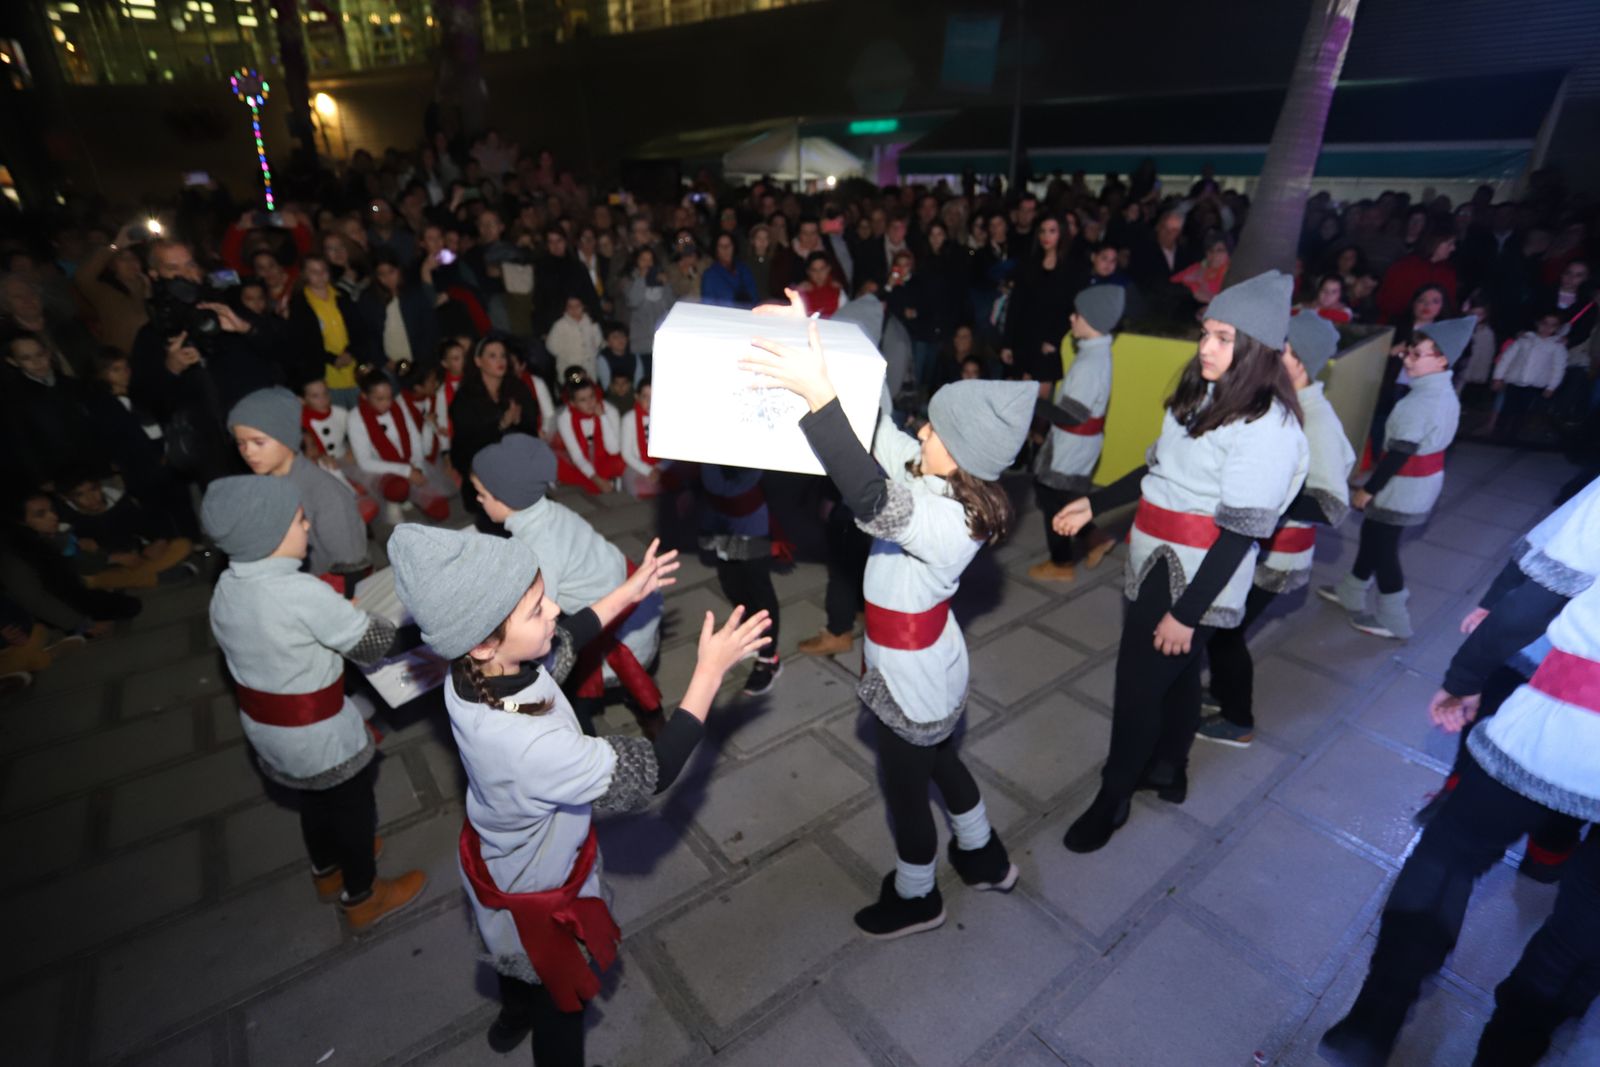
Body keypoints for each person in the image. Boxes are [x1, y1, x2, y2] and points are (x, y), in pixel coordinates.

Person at [386, 523, 768, 1065]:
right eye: (536, 607)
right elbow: (652, 771)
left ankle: (512, 1012)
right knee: (561, 1007)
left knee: (511, 958)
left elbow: (561, 643)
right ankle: (532, 1017)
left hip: (498, 856)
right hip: (540, 892)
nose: (556, 609)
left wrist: (629, 592)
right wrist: (708, 672)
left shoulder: (473, 675)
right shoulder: (531, 748)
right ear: (484, 640)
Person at [742, 305, 1037, 938]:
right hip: (924, 658)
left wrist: (819, 399)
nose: (921, 430)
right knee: (939, 763)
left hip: (914, 675)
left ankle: (918, 895)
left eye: (935, 430)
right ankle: (983, 855)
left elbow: (872, 499)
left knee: (906, 793)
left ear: (960, 455)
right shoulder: (935, 473)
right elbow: (874, 422)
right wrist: (821, 334)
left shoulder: (955, 522)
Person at [1319, 487, 1600, 1067]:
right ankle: (1511, 1051)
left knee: (1449, 853)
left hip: (1568, 723)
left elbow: (1535, 598)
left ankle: (1372, 1022)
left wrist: (1466, 676)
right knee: (1586, 921)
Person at [1050, 271, 1309, 852]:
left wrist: (1188, 614)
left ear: (1258, 350)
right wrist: (1092, 502)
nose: (1207, 348)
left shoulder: (1267, 426)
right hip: (1154, 555)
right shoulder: (1201, 393)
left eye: (1224, 338)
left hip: (1196, 575)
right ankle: (1169, 765)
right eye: (1207, 333)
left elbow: (1241, 535)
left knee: (1137, 687)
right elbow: (1160, 471)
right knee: (1177, 676)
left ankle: (1113, 796)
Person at [202, 476, 425, 931]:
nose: (308, 525)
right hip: (321, 732)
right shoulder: (300, 593)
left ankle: (327, 871)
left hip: (268, 730)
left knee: (312, 800)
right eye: (301, 519)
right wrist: (391, 611)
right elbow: (371, 644)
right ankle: (363, 893)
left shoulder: (225, 587)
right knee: (352, 805)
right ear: (271, 535)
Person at [1198, 314, 1354, 746]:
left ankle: (1238, 719)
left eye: (1279, 350)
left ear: (1300, 362)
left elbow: (1331, 504)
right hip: (1263, 550)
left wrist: (1266, 502)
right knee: (1225, 628)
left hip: (1279, 556)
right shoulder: (1289, 406)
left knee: (1226, 634)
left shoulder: (1316, 420)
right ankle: (1225, 692)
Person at [471, 434, 664, 737]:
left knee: (570, 696)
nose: (478, 500)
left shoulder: (536, 548)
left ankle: (587, 745)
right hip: (634, 603)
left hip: (621, 633)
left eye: (482, 494)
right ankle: (648, 713)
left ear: (506, 497)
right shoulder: (551, 513)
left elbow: (533, 620)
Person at [1319, 317, 1472, 640]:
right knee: (1376, 535)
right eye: (1409, 352)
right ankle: (1352, 590)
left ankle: (1394, 618)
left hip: (1402, 485)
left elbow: (1399, 454)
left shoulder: (1420, 402)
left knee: (1384, 547)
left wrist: (1367, 490)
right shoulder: (1445, 394)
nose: (1408, 359)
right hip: (1420, 484)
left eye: (1418, 354)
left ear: (1443, 359)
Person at [228, 387, 372, 588]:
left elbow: (351, 568)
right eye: (240, 443)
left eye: (258, 442)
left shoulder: (324, 493)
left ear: (287, 435)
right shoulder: (262, 486)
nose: (248, 452)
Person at [1027, 285, 1123, 582]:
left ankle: (1061, 562)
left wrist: (1031, 401)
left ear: (1092, 320)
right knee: (1059, 496)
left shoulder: (1090, 364)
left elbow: (1072, 414)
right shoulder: (1096, 354)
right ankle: (1094, 539)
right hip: (1079, 444)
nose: (1071, 319)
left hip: (1071, 445)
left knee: (1052, 498)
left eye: (1077, 314)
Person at [449, 336, 541, 520]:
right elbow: (467, 440)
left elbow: (531, 428)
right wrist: (500, 425)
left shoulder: (517, 387)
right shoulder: (465, 396)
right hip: (478, 459)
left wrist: (518, 421)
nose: (500, 361)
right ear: (478, 361)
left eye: (503, 356)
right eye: (492, 356)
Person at [345, 368, 453, 523]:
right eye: (379, 399)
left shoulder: (398, 406)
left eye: (389, 397)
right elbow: (365, 462)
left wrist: (416, 467)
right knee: (398, 489)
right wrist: (406, 471)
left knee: (442, 511)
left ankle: (409, 491)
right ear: (364, 396)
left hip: (408, 462)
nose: (387, 403)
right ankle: (394, 501)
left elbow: (414, 440)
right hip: (380, 469)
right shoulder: (355, 418)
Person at [55, 472, 196, 590]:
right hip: (106, 564)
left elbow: (151, 522)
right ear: (67, 498)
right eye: (80, 495)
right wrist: (112, 558)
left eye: (94, 489)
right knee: (88, 579)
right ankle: (154, 578)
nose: (91, 498)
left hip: (138, 557)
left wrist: (160, 540)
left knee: (183, 545)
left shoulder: (120, 501)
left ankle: (129, 579)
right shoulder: (68, 520)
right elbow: (74, 560)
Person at [1000, 216, 1075, 391]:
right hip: (1023, 338)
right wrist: (1007, 343)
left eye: (1052, 231)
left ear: (1061, 234)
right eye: (1042, 231)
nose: (1046, 236)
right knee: (1016, 401)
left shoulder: (1070, 269)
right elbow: (1015, 306)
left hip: (1047, 341)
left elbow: (1069, 309)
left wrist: (1054, 339)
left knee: (1041, 407)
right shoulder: (1027, 264)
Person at [287, 253, 361, 408]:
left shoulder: (342, 296)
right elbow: (304, 342)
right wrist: (333, 359)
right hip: (325, 377)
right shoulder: (300, 304)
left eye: (323, 271)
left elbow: (358, 329)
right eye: (314, 272)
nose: (320, 276)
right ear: (305, 275)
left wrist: (351, 351)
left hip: (354, 371)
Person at [1492, 309, 1568, 439]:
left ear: (1558, 328)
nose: (1547, 328)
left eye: (1552, 325)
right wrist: (1498, 377)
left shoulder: (1557, 346)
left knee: (1522, 411)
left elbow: (1559, 368)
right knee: (1507, 408)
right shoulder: (1525, 339)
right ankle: (1498, 434)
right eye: (1545, 323)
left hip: (1535, 385)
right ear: (1538, 324)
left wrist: (1552, 386)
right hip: (1515, 381)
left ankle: (1512, 435)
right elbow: (1507, 358)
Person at [554, 375, 623, 495]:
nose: (590, 403)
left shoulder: (610, 410)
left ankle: (592, 480)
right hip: (580, 458)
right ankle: (605, 481)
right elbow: (577, 456)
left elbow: (614, 450)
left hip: (606, 456)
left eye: (592, 397)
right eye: (583, 400)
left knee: (621, 461)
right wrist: (596, 479)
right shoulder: (565, 418)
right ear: (573, 403)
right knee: (556, 463)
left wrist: (602, 417)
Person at [619, 379, 661, 498]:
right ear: (637, 397)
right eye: (645, 397)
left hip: (661, 464)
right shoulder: (629, 419)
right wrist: (649, 470)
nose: (650, 401)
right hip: (637, 464)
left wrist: (660, 468)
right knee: (643, 490)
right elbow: (626, 454)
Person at [545, 295, 603, 381]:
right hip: (570, 365)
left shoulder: (591, 322)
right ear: (565, 308)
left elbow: (598, 340)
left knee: (588, 386)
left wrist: (593, 349)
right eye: (570, 306)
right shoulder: (560, 325)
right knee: (574, 386)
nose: (574, 309)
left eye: (577, 306)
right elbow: (551, 345)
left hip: (589, 366)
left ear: (583, 306)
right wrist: (565, 353)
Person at [700, 232, 758, 309]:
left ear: (734, 247)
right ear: (716, 250)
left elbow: (754, 296)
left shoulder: (744, 269)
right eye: (721, 246)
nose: (725, 249)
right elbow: (708, 305)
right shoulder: (710, 275)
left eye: (728, 245)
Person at [1170, 233, 1230, 306]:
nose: (1214, 254)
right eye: (1210, 250)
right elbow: (1171, 284)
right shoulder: (1197, 268)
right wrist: (1194, 288)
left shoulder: (1231, 273)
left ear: (1229, 253)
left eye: (1220, 250)